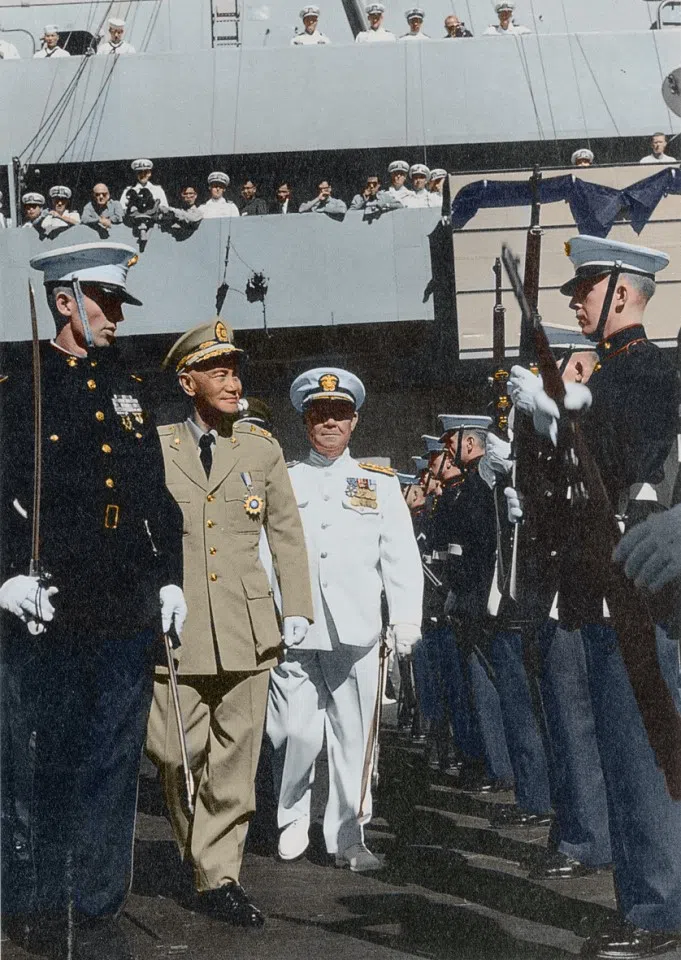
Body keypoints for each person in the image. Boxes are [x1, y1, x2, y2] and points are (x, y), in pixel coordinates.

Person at [0, 242, 186, 959]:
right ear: (63, 301)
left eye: (117, 304)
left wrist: (168, 575)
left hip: (122, 599)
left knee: (113, 756)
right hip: (51, 601)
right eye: (104, 302)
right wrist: (8, 573)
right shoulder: (21, 382)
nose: (114, 316)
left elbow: (153, 494)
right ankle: (42, 904)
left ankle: (98, 906)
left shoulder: (126, 383)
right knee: (48, 759)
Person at [506, 235, 681, 960]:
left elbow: (635, 436)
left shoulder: (650, 369)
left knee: (645, 752)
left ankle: (657, 907)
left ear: (620, 290)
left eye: (583, 287)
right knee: (630, 751)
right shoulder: (608, 379)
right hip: (609, 589)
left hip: (649, 593)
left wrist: (567, 405)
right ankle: (648, 898)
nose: (574, 300)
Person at [145, 320, 313, 929]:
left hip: (246, 624)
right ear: (188, 381)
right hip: (178, 626)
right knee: (172, 752)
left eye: (235, 369)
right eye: (218, 371)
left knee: (236, 762)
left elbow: (286, 533)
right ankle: (202, 853)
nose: (233, 380)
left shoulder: (260, 449)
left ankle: (218, 876)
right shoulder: (156, 446)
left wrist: (297, 607)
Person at [267, 368, 423, 871]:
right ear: (305, 420)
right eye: (319, 413)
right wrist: (276, 608)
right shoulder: (284, 479)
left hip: (359, 628)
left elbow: (399, 555)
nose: (329, 422)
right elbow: (267, 552)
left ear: (354, 422)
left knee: (356, 738)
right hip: (298, 626)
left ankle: (349, 835)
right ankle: (291, 818)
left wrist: (405, 619)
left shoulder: (377, 482)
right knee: (294, 732)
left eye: (338, 414)